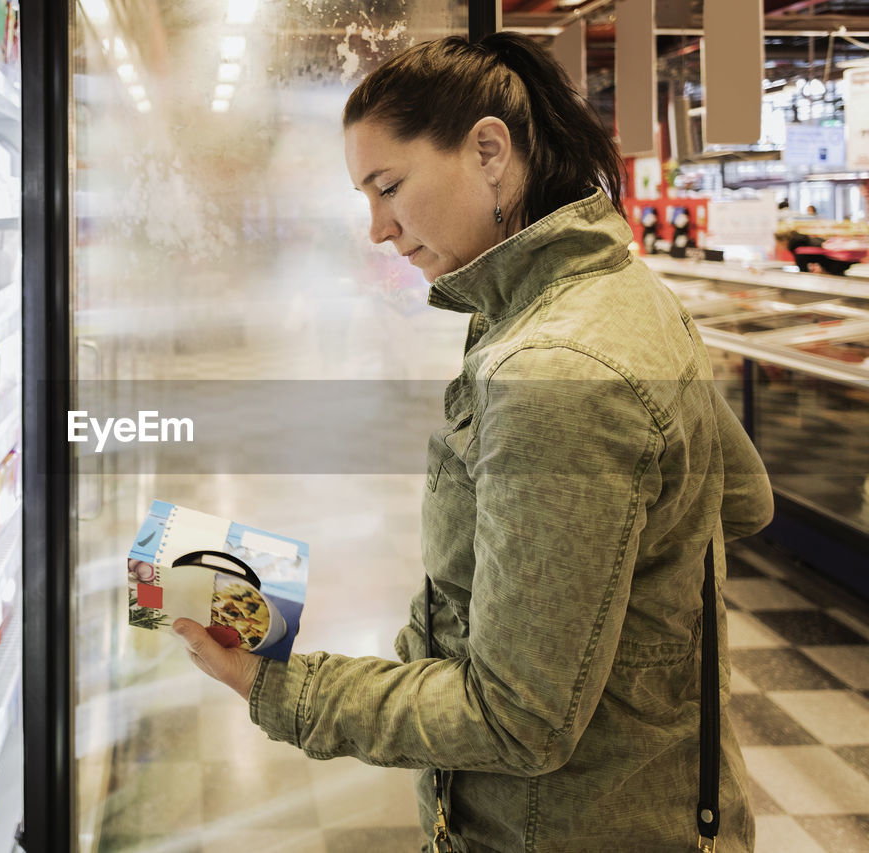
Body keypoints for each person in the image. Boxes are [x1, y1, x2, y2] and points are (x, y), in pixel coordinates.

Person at [173, 32, 774, 853]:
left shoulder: (552, 370)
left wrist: (273, 685)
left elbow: (518, 719)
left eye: (388, 187)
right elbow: (743, 496)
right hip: (658, 793)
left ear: (490, 151)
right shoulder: (618, 290)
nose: (377, 228)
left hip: (555, 829)